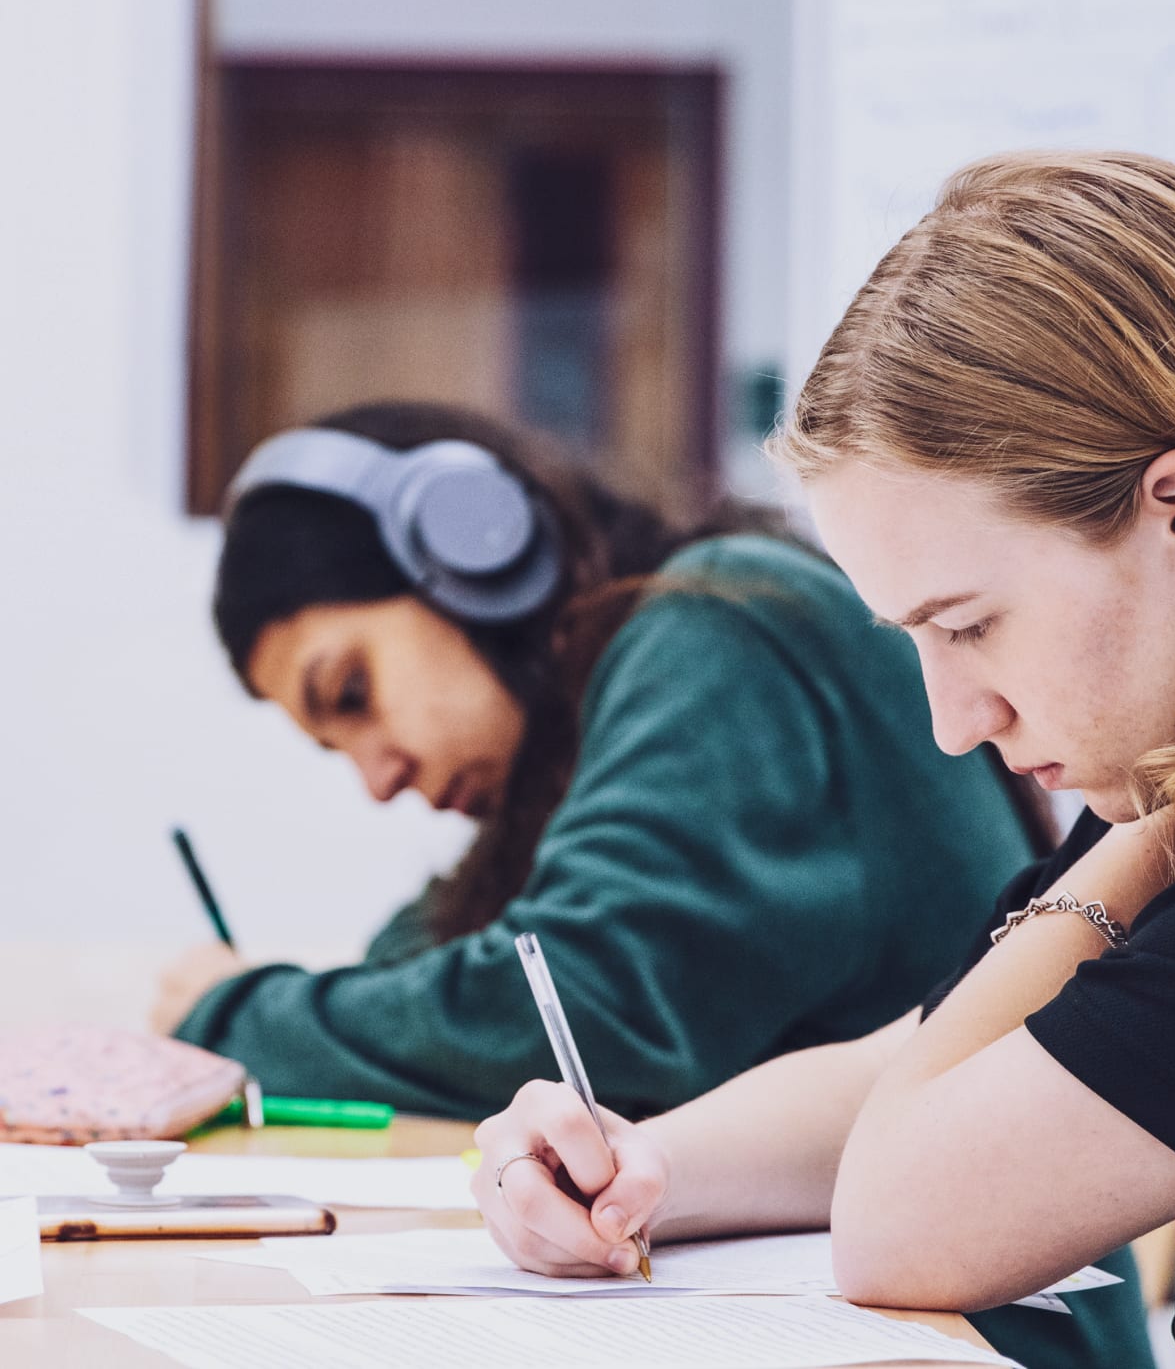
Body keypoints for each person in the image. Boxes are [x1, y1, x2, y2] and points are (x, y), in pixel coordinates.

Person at [468, 152, 1175, 1367]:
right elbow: (960, 1068)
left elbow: (906, 1218)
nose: (954, 720)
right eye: (915, 639)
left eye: (971, 623)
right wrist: (641, 1163)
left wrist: (1145, 841)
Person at [153, 399, 1041, 1132]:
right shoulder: (586, 725)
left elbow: (580, 1009)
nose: (378, 780)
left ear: (472, 549)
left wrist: (231, 1014)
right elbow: (420, 968)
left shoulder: (723, 627)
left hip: (963, 1336)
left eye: (353, 694)